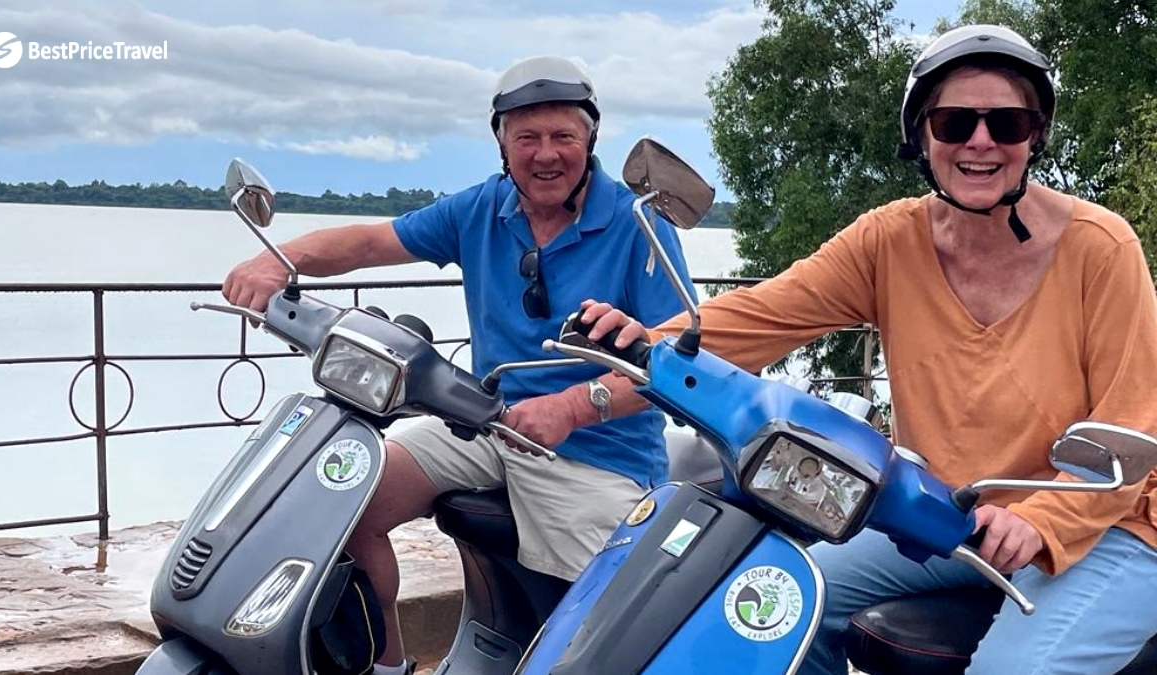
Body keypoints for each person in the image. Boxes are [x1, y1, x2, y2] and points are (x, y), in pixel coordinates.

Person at [575, 25, 1157, 675]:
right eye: (954, 122)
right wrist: (640, 345)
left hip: (1112, 524)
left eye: (1008, 123)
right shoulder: (890, 241)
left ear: (1034, 137)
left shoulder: (1101, 248)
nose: (981, 141)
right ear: (922, 136)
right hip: (956, 518)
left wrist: (1043, 519)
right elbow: (763, 314)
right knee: (771, 603)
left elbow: (1131, 425)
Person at [222, 56, 694, 675]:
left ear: (590, 141)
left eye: (563, 136)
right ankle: (386, 666)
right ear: (502, 144)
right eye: (527, 137)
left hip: (597, 452)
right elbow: (372, 241)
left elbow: (678, 362)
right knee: (341, 501)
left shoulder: (638, 224)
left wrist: (571, 408)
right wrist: (278, 261)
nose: (545, 154)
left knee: (616, 622)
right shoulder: (483, 208)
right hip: (486, 422)